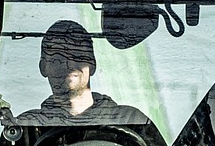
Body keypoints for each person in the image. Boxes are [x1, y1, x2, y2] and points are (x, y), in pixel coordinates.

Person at [9, 19, 152, 128]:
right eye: (57, 59)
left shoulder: (130, 122)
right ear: (43, 67)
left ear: (92, 64)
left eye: (77, 56)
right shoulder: (27, 127)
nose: (68, 66)